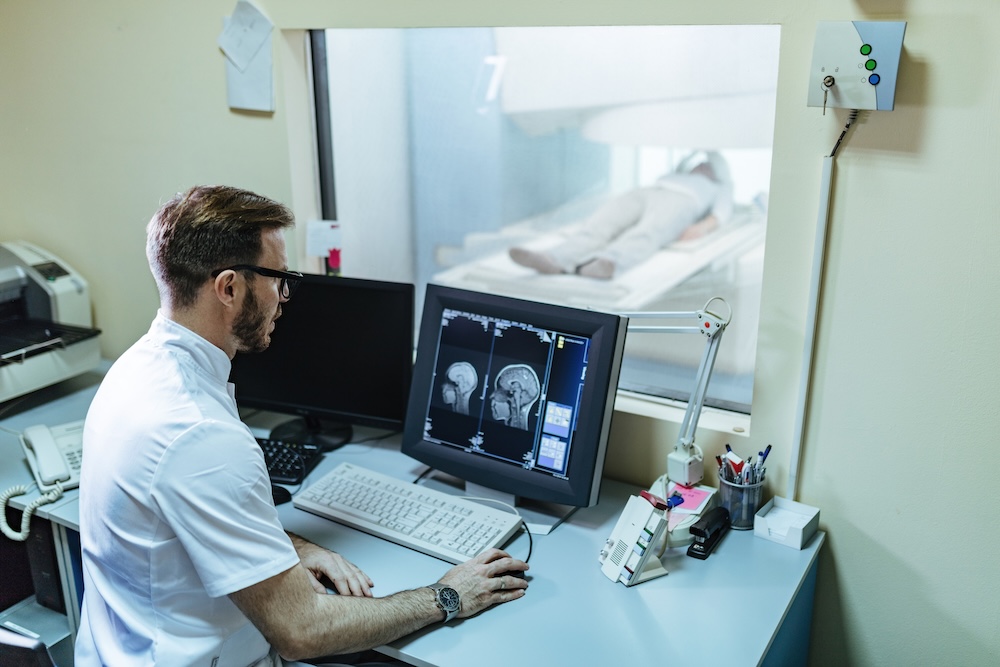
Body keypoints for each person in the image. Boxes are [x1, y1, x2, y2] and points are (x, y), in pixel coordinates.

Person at [75, 185, 529, 667]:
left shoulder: (133, 371)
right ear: (228, 287)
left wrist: (290, 548)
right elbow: (303, 632)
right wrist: (446, 596)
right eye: (278, 277)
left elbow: (185, 523)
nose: (285, 296)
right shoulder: (200, 434)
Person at [509, 150, 734, 280]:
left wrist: (702, 227)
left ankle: (607, 263)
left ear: (716, 173)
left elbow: (721, 213)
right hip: (648, 191)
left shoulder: (718, 187)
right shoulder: (674, 174)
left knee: (648, 231)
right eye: (699, 163)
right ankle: (553, 259)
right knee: (602, 222)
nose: (701, 166)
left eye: (707, 166)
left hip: (683, 201)